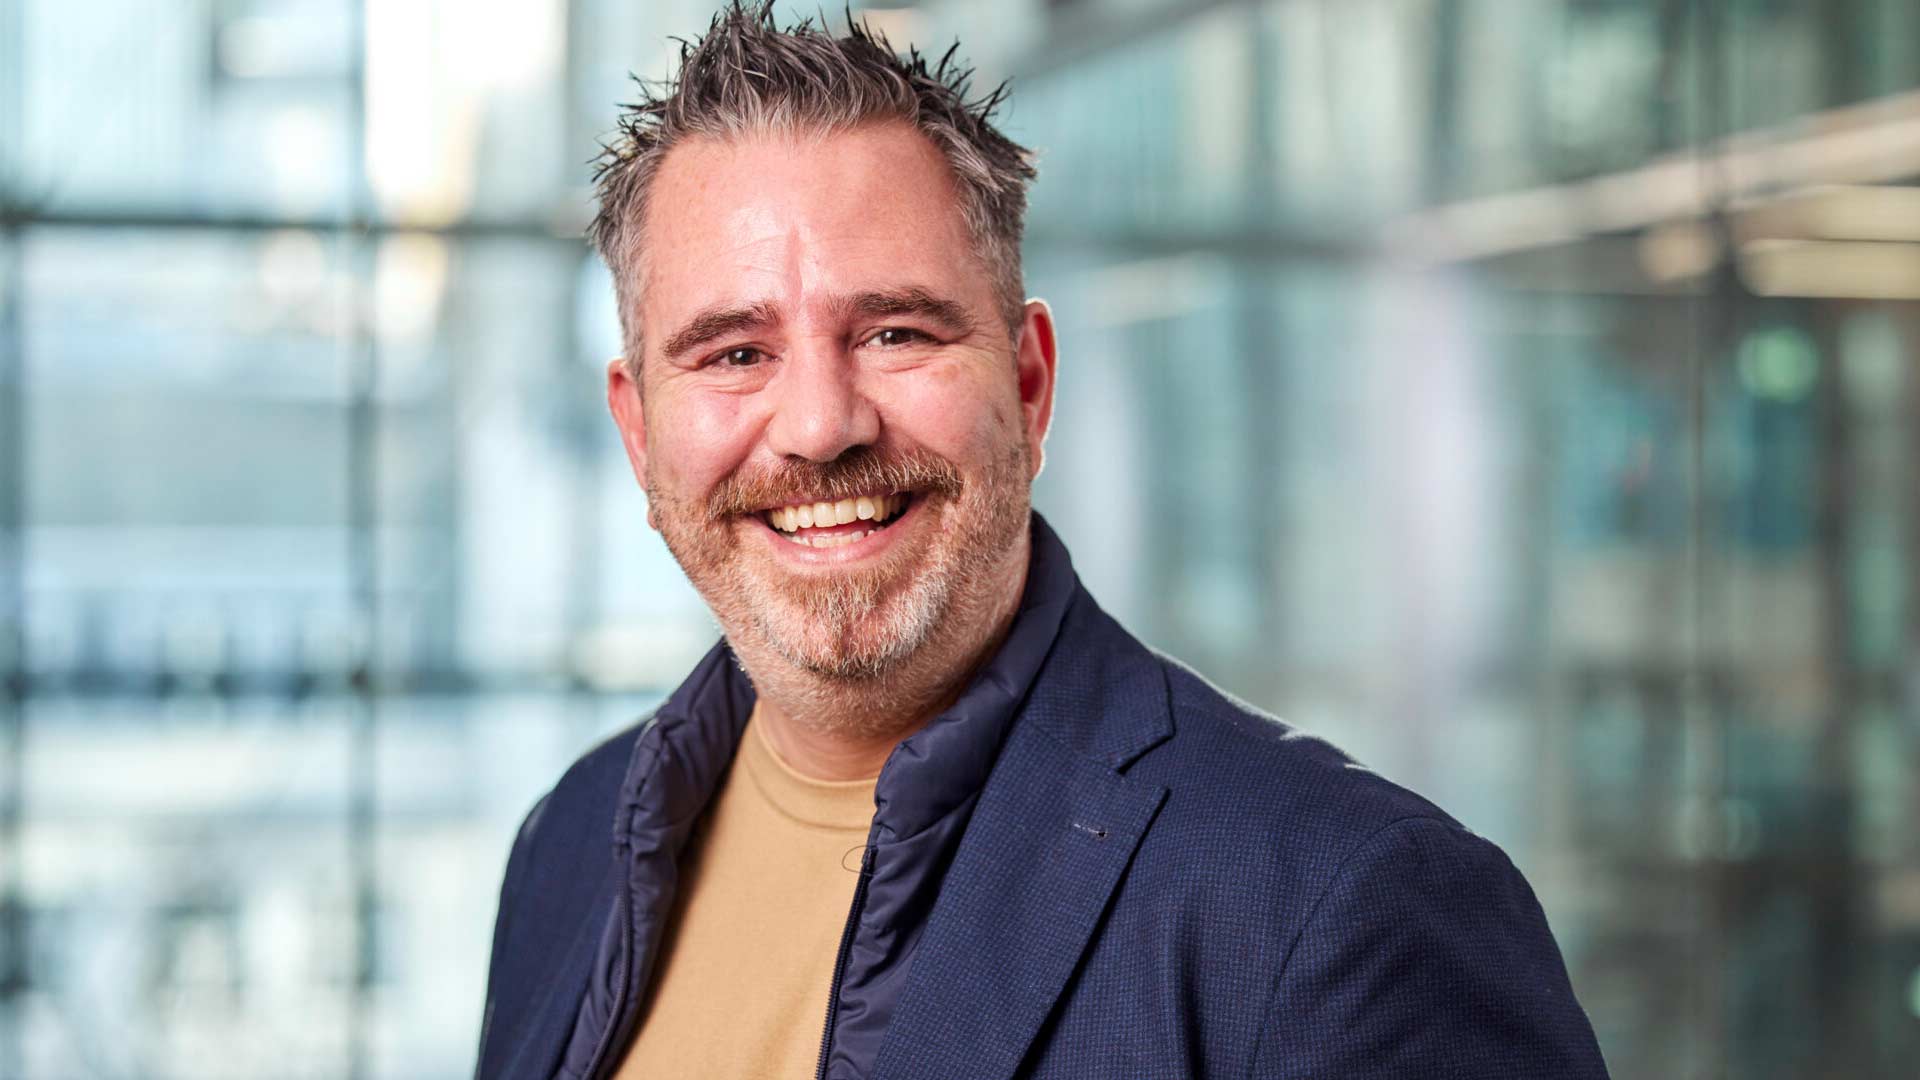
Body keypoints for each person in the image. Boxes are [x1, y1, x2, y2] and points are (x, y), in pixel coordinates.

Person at [475, 4, 1610, 1078]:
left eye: (895, 331)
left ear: (1028, 384)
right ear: (636, 431)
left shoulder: (1345, 910)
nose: (820, 426)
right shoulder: (571, 843)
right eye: (733, 354)